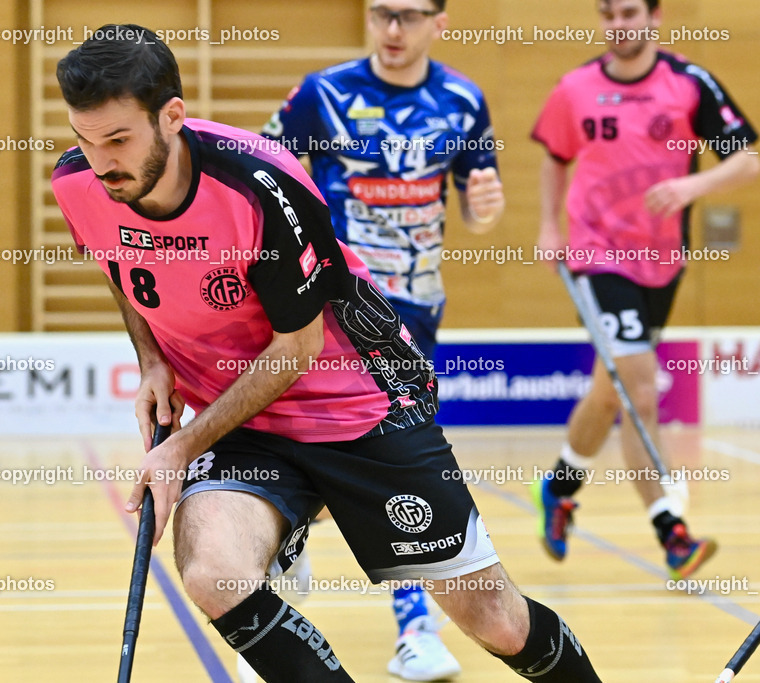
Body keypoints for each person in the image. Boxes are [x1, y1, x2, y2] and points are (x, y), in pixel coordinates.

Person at [54, 24, 603, 683]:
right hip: (244, 419)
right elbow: (120, 265)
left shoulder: (261, 187)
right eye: (87, 141)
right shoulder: (81, 184)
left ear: (172, 116)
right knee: (213, 571)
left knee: (499, 621)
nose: (103, 163)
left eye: (118, 140)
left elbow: (299, 347)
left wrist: (178, 448)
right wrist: (151, 360)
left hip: (359, 399)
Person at [261, 1, 503, 678]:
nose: (393, 30)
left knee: (380, 453)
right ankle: (414, 625)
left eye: (410, 15)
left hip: (417, 305)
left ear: (439, 21)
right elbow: (261, 172)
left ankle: (289, 524)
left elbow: (478, 197)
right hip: (343, 299)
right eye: (381, 13)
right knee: (383, 453)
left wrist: (486, 211)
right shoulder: (323, 93)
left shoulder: (462, 100)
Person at [530, 0, 758, 578]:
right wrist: (550, 226)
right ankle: (671, 532)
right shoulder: (575, 88)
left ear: (654, 18)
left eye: (630, 14)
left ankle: (557, 488)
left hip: (662, 261)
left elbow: (748, 159)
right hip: (597, 257)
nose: (618, 26)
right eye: (608, 15)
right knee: (639, 389)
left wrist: (691, 187)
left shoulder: (689, 83)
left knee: (610, 393)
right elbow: (555, 157)